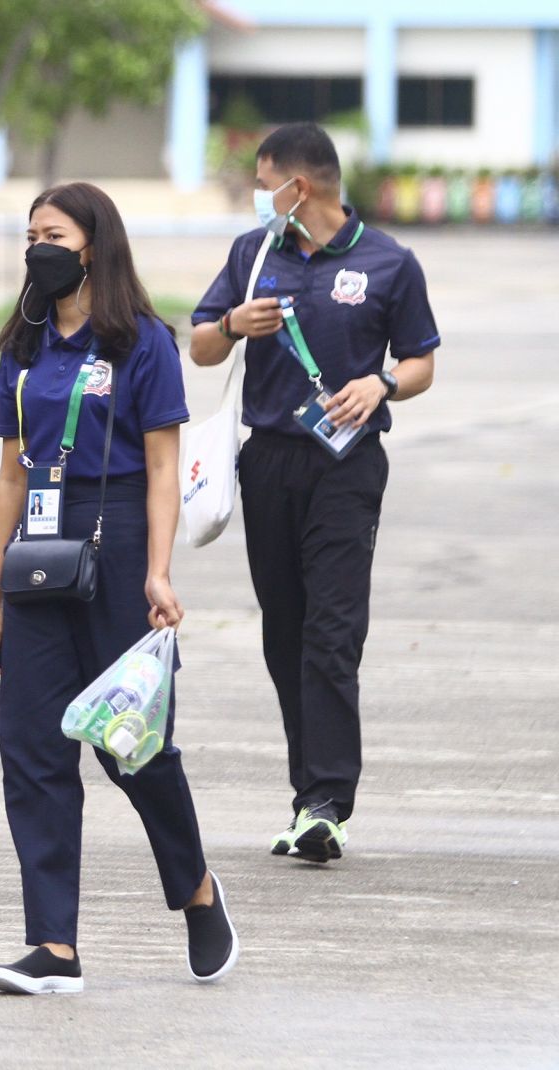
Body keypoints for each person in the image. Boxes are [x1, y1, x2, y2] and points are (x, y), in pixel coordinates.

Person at [0, 182, 238, 995]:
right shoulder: (22, 346)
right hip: (38, 551)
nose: (36, 248)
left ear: (93, 244)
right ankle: (53, 946)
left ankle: (194, 887)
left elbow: (164, 465)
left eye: (51, 233)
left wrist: (158, 569)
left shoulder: (142, 342)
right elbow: (12, 472)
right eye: (29, 236)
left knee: (132, 744)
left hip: (118, 535)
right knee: (32, 747)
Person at [189, 122, 439, 863]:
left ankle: (327, 799)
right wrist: (233, 323)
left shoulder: (389, 261)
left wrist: (382, 381)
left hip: (347, 467)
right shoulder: (253, 253)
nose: (258, 197)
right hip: (267, 460)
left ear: (300, 187)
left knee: (332, 630)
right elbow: (200, 344)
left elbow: (422, 361)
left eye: (265, 183)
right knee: (286, 630)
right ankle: (309, 795)